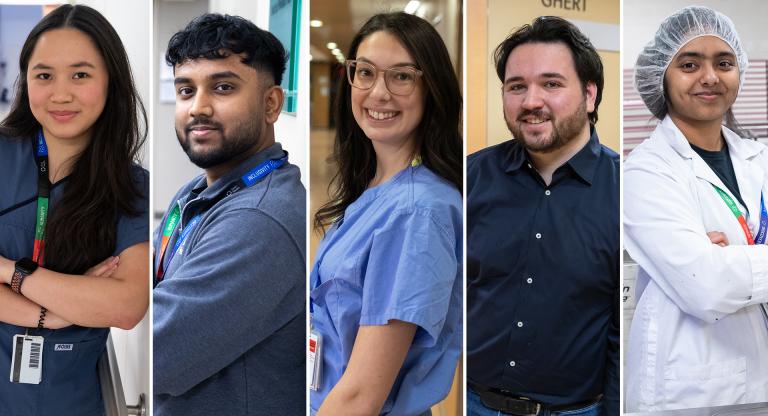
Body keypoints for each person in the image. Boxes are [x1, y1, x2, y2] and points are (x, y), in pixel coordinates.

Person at [152, 13, 305, 416]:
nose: (197, 108)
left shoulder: (260, 219)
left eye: (222, 87)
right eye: (186, 90)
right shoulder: (198, 191)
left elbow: (155, 353)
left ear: (271, 103)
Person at [310, 12, 463, 416]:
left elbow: (362, 396)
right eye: (365, 72)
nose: (378, 93)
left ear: (432, 88)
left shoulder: (416, 212)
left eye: (401, 76)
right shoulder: (375, 187)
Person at [0, 4, 149, 415]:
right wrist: (59, 311)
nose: (60, 94)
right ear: (26, 80)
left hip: (72, 401)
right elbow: (101, 302)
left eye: (80, 75)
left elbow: (125, 306)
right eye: (44, 75)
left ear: (110, 83)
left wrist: (7, 271)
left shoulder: (131, 188)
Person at [467, 16, 619, 416]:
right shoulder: (471, 178)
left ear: (590, 95)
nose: (531, 101)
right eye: (517, 86)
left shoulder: (627, 190)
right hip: (475, 402)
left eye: (551, 84)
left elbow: (625, 330)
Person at [624, 6, 768, 411]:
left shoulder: (759, 158)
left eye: (724, 63)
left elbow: (720, 273)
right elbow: (707, 285)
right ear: (662, 79)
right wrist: (713, 266)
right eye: (690, 64)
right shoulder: (646, 171)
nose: (710, 76)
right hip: (690, 390)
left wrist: (733, 257)